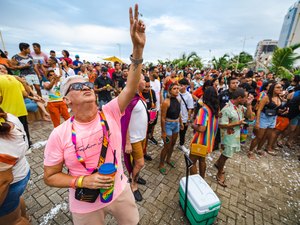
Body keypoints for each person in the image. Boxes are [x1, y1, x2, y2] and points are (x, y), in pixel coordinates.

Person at [43, 4, 145, 225]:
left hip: (119, 190)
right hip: (85, 201)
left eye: (88, 83)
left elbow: (130, 86)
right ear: (67, 100)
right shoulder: (59, 134)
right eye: (77, 87)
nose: (87, 87)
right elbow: (50, 177)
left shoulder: (110, 112)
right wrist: (82, 181)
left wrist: (138, 50)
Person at [215, 88, 254, 187]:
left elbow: (250, 117)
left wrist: (249, 105)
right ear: (240, 98)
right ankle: (219, 173)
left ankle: (217, 163)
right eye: (245, 98)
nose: (246, 99)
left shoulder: (240, 107)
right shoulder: (227, 109)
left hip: (235, 136)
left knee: (226, 154)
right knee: (226, 155)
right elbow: (221, 125)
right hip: (227, 137)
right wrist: (238, 123)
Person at [0, 108, 31, 225]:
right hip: (21, 171)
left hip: (10, 184)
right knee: (15, 202)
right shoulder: (8, 116)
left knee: (14, 221)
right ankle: (24, 218)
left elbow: (3, 180)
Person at [124, 75, 148, 202]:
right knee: (140, 163)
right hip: (133, 138)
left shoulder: (139, 95)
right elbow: (125, 121)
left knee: (137, 162)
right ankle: (133, 185)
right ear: (136, 81)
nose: (145, 81)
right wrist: (127, 142)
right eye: (143, 79)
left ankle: (135, 177)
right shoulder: (129, 98)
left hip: (142, 135)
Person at [248, 83, 286, 158]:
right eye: (277, 87)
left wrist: (281, 111)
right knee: (259, 136)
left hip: (273, 118)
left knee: (266, 136)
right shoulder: (266, 97)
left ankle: (258, 149)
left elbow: (276, 109)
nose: (280, 89)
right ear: (273, 88)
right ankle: (250, 151)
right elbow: (259, 110)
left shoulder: (279, 97)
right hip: (264, 118)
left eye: (281, 87)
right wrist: (257, 122)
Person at [190, 87, 219, 178]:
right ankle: (202, 179)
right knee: (202, 160)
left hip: (200, 141)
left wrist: (192, 125)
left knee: (191, 162)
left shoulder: (204, 110)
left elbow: (201, 128)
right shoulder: (215, 109)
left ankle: (196, 182)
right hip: (209, 141)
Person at [0, 65, 31, 147]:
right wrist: (23, 82)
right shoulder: (15, 79)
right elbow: (26, 94)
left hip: (8, 113)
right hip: (21, 110)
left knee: (12, 134)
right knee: (24, 130)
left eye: (3, 68)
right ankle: (27, 147)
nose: (3, 70)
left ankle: (17, 149)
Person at [159, 83, 183, 175]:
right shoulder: (166, 102)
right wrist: (163, 132)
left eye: (178, 88)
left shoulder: (178, 99)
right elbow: (162, 118)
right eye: (174, 88)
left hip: (176, 125)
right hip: (168, 126)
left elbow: (178, 112)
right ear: (170, 90)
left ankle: (168, 159)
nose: (177, 90)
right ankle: (161, 164)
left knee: (173, 144)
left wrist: (180, 122)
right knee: (167, 146)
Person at [141, 76, 157, 160]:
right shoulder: (138, 93)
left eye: (148, 86)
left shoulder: (152, 92)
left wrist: (153, 116)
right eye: (145, 87)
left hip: (149, 120)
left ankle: (144, 152)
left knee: (146, 137)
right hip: (139, 121)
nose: (147, 89)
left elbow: (155, 104)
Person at [177, 78, 194, 154]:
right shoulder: (176, 93)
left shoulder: (189, 96)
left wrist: (188, 120)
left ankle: (181, 144)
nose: (180, 87)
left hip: (184, 118)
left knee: (182, 133)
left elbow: (190, 109)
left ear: (186, 86)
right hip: (175, 117)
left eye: (182, 85)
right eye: (179, 85)